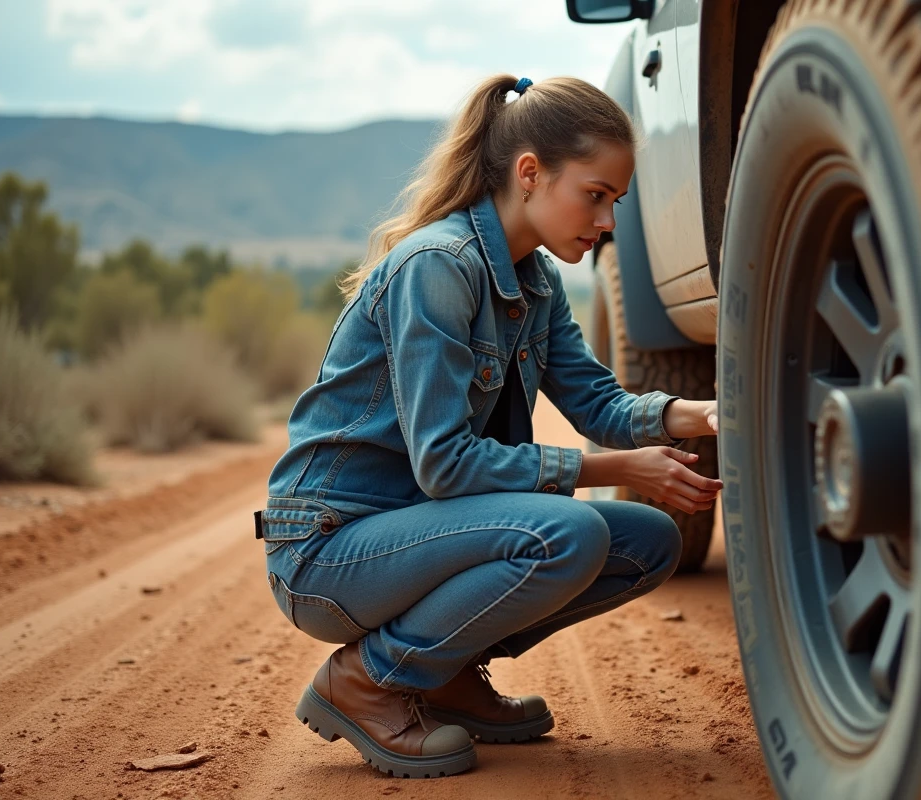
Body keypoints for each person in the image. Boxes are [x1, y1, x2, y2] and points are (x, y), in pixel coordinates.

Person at [256, 74, 722, 779]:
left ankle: (440, 673)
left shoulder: (534, 283)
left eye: (616, 202)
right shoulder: (437, 268)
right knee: (569, 532)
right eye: (595, 195)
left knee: (648, 542)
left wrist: (698, 415)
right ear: (530, 174)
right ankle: (368, 680)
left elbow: (597, 403)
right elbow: (445, 465)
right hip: (328, 550)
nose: (607, 222)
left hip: (416, 533)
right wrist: (615, 469)